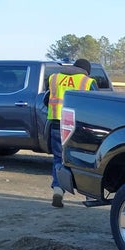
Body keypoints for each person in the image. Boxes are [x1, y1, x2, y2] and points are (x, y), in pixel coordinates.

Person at [46, 59, 96, 207]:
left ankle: (58, 189)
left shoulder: (55, 78)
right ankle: (90, 196)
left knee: (59, 158)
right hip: (78, 125)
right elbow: (96, 104)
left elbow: (46, 99)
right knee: (84, 158)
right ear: (86, 71)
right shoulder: (87, 81)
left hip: (57, 124)